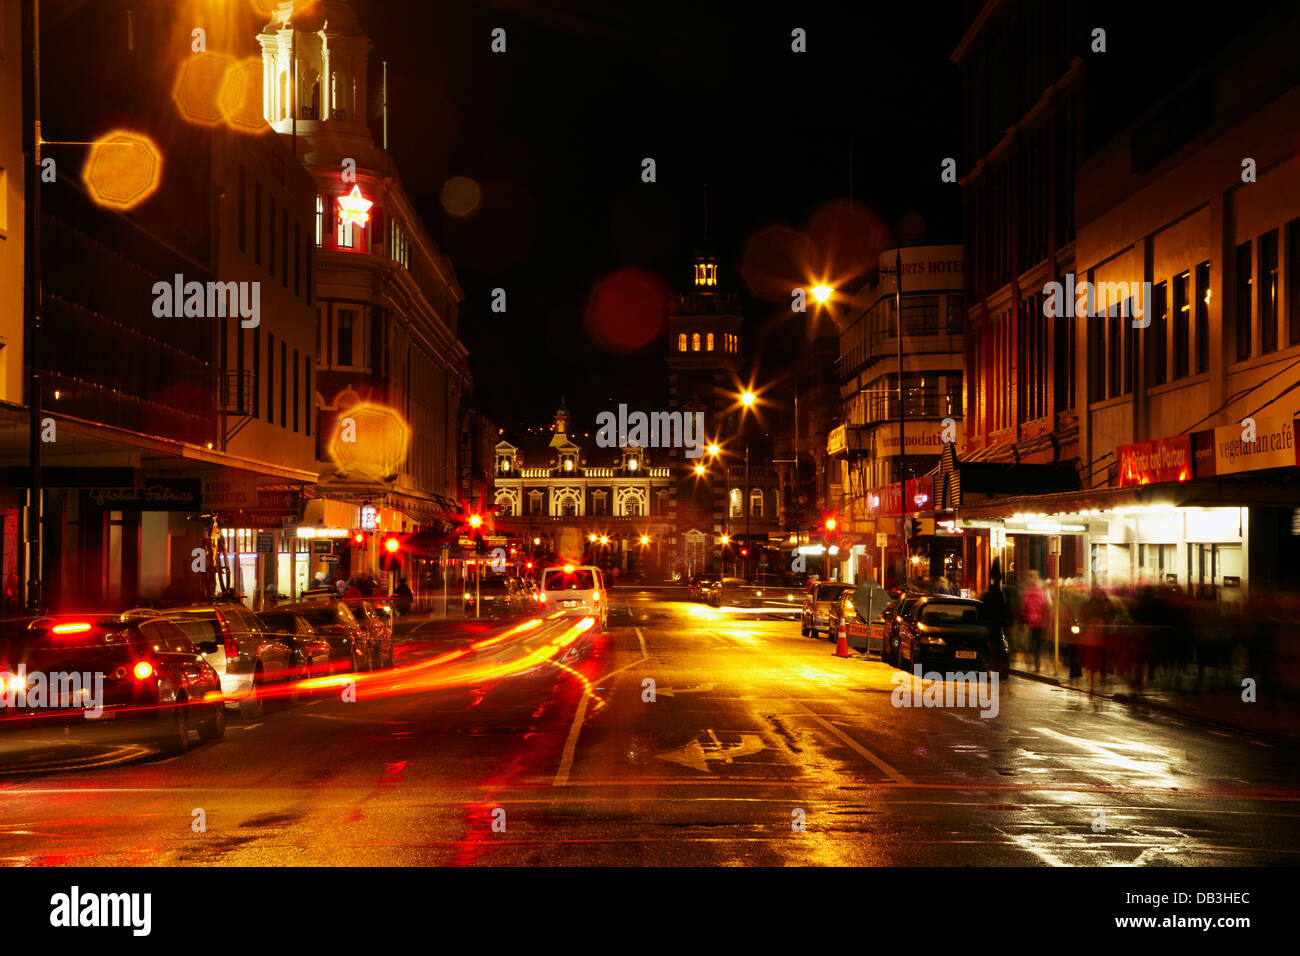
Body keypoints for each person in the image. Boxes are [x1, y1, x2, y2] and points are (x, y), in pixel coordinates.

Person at [980, 559, 1011, 676]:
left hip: (993, 625)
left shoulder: (992, 594)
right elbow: (1001, 610)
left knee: (997, 647)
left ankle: (997, 669)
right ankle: (998, 669)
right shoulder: (998, 594)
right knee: (998, 647)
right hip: (995, 625)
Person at [1022, 570, 1050, 672]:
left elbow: (1024, 607)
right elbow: (1047, 606)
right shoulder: (1042, 592)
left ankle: (1030, 660)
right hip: (1040, 622)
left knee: (1032, 642)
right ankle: (1037, 664)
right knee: (1039, 644)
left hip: (1031, 622)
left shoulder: (1027, 593)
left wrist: (1025, 619)